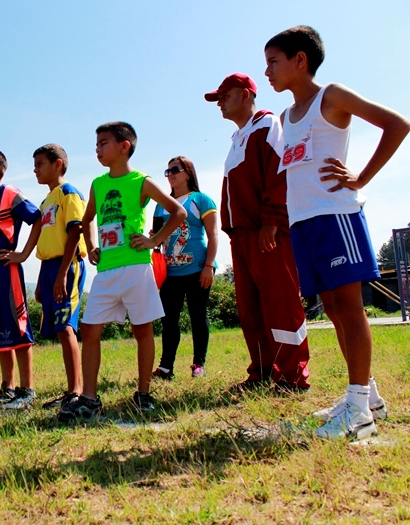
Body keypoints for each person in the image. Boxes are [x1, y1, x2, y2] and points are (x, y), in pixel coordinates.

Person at [264, 26, 409, 439]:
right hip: (304, 223)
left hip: (335, 216)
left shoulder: (331, 96)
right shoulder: (286, 116)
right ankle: (368, 398)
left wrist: (361, 176)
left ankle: (360, 412)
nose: (269, 71)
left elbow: (397, 124)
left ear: (300, 60)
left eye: (274, 62)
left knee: (349, 307)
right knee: (332, 307)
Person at [58, 122, 186, 422]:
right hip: (106, 271)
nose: (97, 149)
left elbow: (178, 212)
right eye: (97, 143)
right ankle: (89, 397)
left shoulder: (141, 181)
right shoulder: (98, 184)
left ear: (124, 146)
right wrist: (91, 245)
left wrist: (154, 240)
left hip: (136, 267)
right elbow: (86, 219)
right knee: (90, 330)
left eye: (103, 143)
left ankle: (143, 394)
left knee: (142, 329)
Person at [205, 72, 311, 393]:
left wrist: (272, 220)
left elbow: (280, 172)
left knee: (280, 303)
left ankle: (293, 376)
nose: (220, 102)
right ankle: (263, 371)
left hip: (267, 231)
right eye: (218, 98)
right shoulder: (238, 138)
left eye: (225, 95)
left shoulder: (267, 126)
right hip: (242, 237)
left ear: (246, 95)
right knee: (251, 309)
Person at [0, 148, 42, 410]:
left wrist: (23, 253)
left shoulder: (10, 194)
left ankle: (27, 391)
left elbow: (37, 218)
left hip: (7, 272)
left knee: (18, 329)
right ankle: (7, 388)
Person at [151, 156, 218, 380]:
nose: (170, 175)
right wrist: (153, 238)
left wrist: (209, 265)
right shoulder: (161, 205)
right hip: (170, 272)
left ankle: (199, 364)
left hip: (198, 268)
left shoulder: (201, 200)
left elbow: (213, 235)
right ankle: (165, 367)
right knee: (168, 319)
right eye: (167, 171)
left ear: (187, 173)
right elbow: (157, 240)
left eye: (175, 170)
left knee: (197, 316)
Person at [32, 143, 87, 410]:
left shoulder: (68, 192)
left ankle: (77, 391)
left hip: (68, 266)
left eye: (40, 164)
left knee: (67, 328)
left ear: (58, 164)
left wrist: (62, 275)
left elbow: (75, 233)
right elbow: (48, 241)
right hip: (50, 268)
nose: (35, 170)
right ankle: (69, 391)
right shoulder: (45, 202)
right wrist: (44, 278)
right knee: (58, 329)